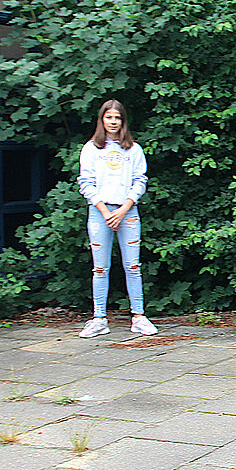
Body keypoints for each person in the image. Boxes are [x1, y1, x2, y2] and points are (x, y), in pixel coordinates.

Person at [77, 100, 157, 337]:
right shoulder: (91, 149)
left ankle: (139, 317)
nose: (113, 122)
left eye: (117, 118)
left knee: (132, 266)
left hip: (128, 213)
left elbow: (140, 180)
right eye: (109, 117)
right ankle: (99, 319)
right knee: (100, 268)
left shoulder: (133, 149)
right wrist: (105, 211)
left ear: (123, 121)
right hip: (99, 213)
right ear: (102, 120)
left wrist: (123, 209)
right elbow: (86, 183)